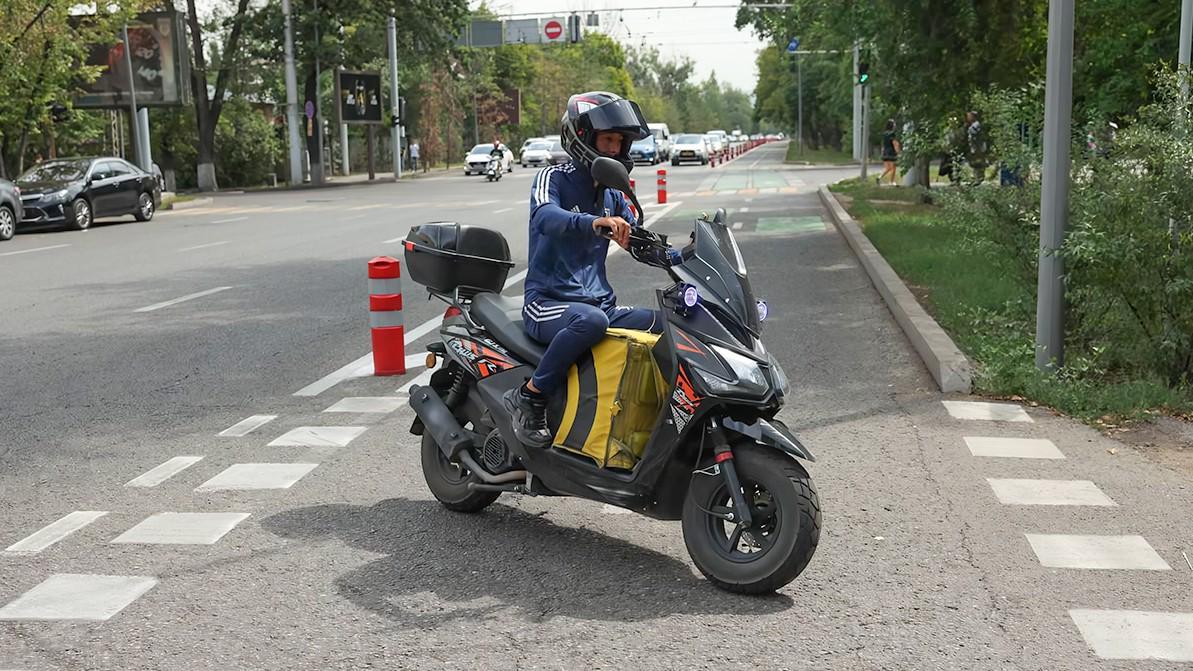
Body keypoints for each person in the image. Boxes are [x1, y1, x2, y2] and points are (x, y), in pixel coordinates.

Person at [503, 91, 662, 448]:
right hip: (547, 302)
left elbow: (637, 233)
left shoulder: (613, 194)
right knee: (591, 321)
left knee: (669, 320)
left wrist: (684, 257)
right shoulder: (553, 177)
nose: (614, 149)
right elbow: (544, 216)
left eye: (620, 142)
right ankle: (530, 396)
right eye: (607, 139)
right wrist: (592, 222)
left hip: (598, 304)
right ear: (582, 137)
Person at [965, 111, 987, 184]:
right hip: (974, 147)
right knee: (975, 163)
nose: (968, 118)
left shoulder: (976, 125)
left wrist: (977, 148)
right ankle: (975, 178)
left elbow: (977, 137)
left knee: (978, 162)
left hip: (978, 147)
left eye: (969, 116)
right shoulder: (972, 125)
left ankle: (979, 178)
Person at [878, 119, 900, 186]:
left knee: (888, 168)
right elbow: (894, 143)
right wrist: (897, 151)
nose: (895, 125)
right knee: (893, 167)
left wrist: (882, 152)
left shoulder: (884, 134)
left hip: (885, 152)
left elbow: (883, 144)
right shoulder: (892, 134)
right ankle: (892, 181)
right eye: (894, 124)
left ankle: (879, 177)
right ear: (892, 125)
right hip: (891, 152)